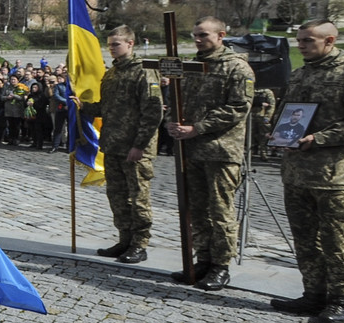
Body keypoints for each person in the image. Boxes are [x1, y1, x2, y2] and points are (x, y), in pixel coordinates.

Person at [269, 20, 344, 323]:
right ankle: (312, 293)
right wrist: (279, 132)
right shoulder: (300, 73)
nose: (301, 45)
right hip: (296, 172)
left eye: (308, 40)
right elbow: (288, 114)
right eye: (299, 40)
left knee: (335, 239)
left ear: (330, 40)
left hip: (334, 175)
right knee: (305, 238)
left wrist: (320, 138)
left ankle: (338, 299)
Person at [167, 16, 255, 289]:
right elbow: (178, 100)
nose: (197, 39)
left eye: (203, 35)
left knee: (220, 211)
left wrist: (198, 128)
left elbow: (238, 108)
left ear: (221, 35)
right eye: (194, 34)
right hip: (191, 149)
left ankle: (221, 264)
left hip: (220, 150)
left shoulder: (237, 68)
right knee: (197, 210)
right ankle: (203, 259)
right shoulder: (192, 67)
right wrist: (173, 119)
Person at [72, 25, 163, 264]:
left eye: (116, 44)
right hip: (112, 146)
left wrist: (139, 145)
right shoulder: (111, 74)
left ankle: (139, 244)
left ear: (130, 44)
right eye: (110, 44)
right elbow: (106, 108)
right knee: (117, 196)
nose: (111, 48)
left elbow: (152, 112)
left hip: (135, 148)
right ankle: (124, 240)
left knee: (138, 198)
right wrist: (83, 106)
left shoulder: (144, 71)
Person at [251, 88, 275, 160]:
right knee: (251, 135)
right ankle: (250, 152)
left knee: (264, 136)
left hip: (263, 117)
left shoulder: (267, 92)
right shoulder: (251, 89)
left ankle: (263, 153)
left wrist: (267, 117)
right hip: (251, 117)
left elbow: (271, 105)